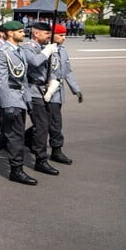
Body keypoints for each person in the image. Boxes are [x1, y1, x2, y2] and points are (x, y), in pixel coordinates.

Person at [0, 20, 39, 185]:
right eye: (20, 31)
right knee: (16, 136)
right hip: (10, 97)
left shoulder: (20, 51)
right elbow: (1, 80)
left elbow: (23, 79)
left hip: (20, 96)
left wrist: (28, 100)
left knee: (13, 134)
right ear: (11, 33)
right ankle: (16, 170)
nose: (23, 34)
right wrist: (7, 104)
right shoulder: (2, 52)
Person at [21, 22, 61, 177]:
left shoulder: (46, 48)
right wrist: (47, 51)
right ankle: (40, 160)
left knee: (45, 123)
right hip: (32, 91)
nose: (49, 37)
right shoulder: (27, 47)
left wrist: (52, 84)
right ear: (36, 33)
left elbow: (54, 68)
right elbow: (35, 62)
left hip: (44, 90)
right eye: (46, 34)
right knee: (42, 126)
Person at [47, 23, 83, 165]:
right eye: (61, 35)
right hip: (48, 92)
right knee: (55, 122)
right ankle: (56, 150)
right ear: (52, 35)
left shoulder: (62, 50)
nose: (64, 38)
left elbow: (67, 71)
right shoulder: (47, 50)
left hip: (58, 91)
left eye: (64, 35)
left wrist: (76, 89)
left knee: (45, 122)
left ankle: (26, 140)